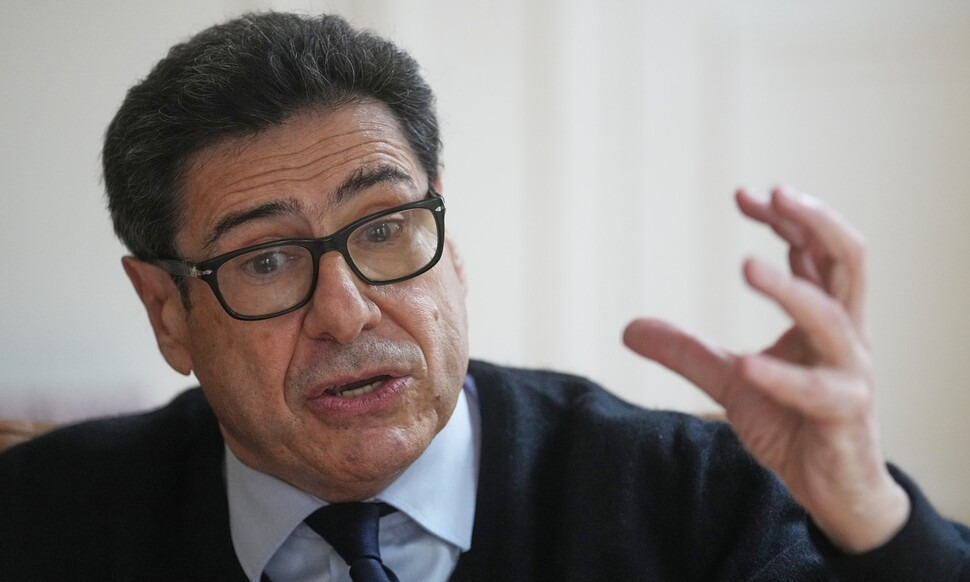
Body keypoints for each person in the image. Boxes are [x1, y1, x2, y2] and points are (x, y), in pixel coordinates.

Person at [0, 11, 967, 581]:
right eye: (265, 261)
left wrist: (869, 512)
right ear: (168, 312)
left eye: (384, 228)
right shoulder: (43, 521)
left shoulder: (697, 499)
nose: (346, 312)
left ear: (449, 245)